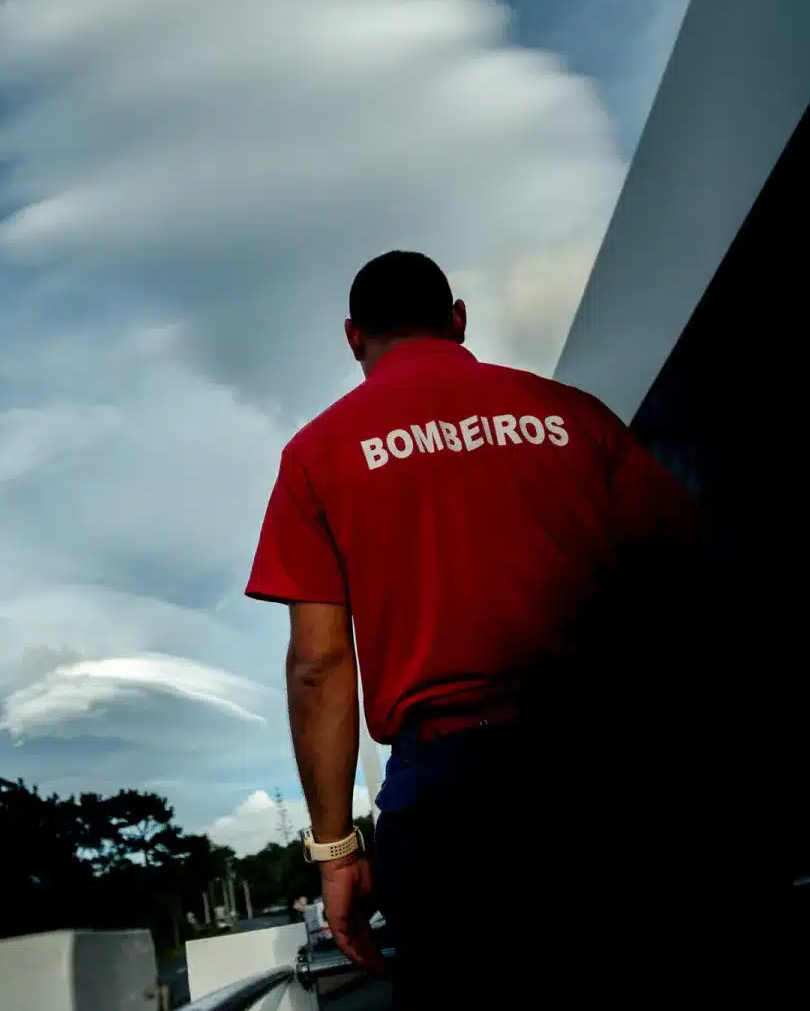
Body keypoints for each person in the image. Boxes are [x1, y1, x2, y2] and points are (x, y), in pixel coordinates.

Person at [244, 250, 712, 1006]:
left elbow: (319, 665)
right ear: (458, 319)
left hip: (447, 800)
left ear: (353, 336)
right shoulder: (573, 415)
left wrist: (336, 851)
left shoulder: (316, 455)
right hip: (609, 772)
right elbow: (689, 585)